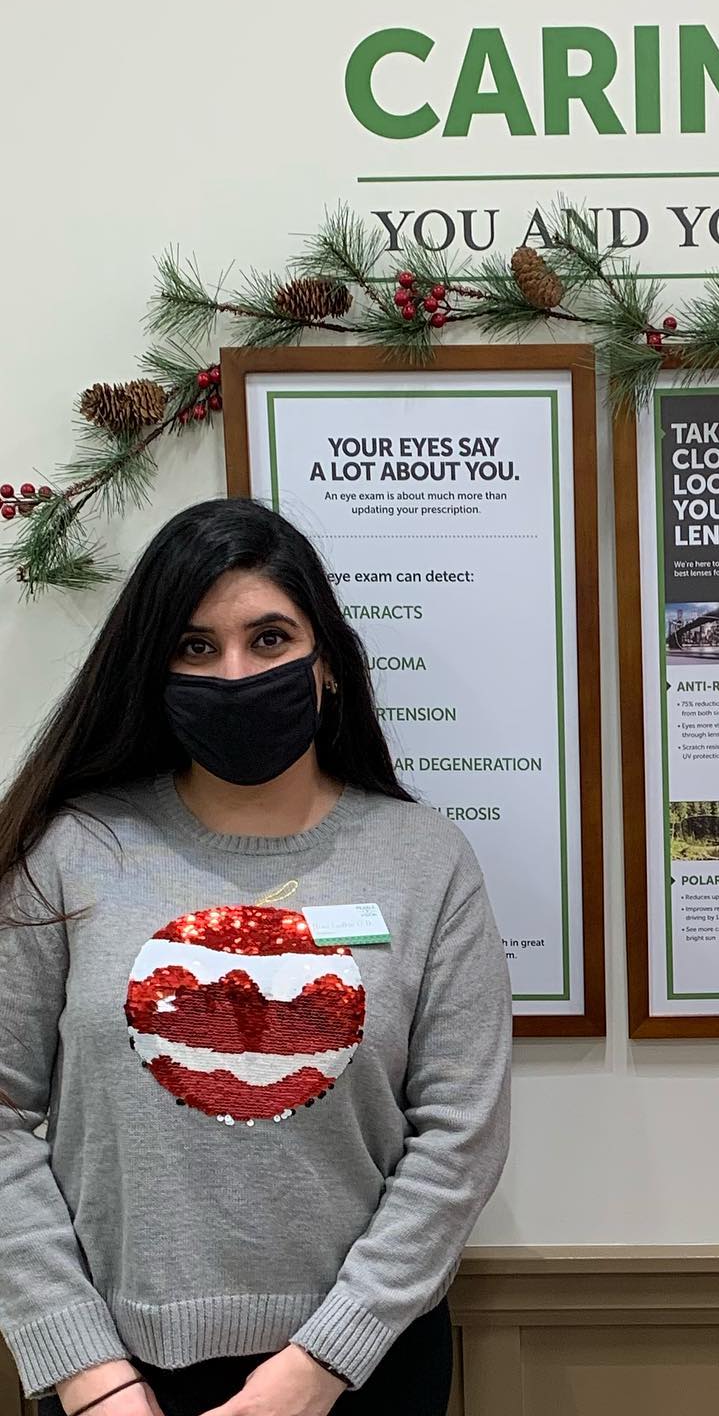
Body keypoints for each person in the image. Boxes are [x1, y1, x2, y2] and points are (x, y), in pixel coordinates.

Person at [0, 498, 512, 1416]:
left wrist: (323, 1362)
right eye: (195, 647)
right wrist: (84, 1369)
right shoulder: (72, 850)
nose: (235, 675)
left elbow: (460, 1138)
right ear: (153, 668)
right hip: (115, 1382)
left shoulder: (424, 859)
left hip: (363, 1373)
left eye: (269, 638)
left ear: (328, 663)